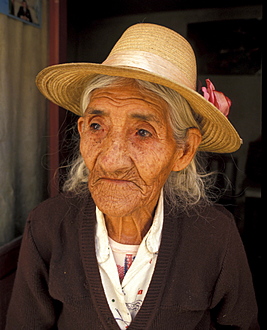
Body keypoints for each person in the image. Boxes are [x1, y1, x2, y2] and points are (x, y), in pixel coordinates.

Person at [6, 23, 259, 329]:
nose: (111, 162)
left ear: (183, 151)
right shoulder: (48, 225)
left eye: (142, 132)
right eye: (98, 126)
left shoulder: (215, 235)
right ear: (82, 131)